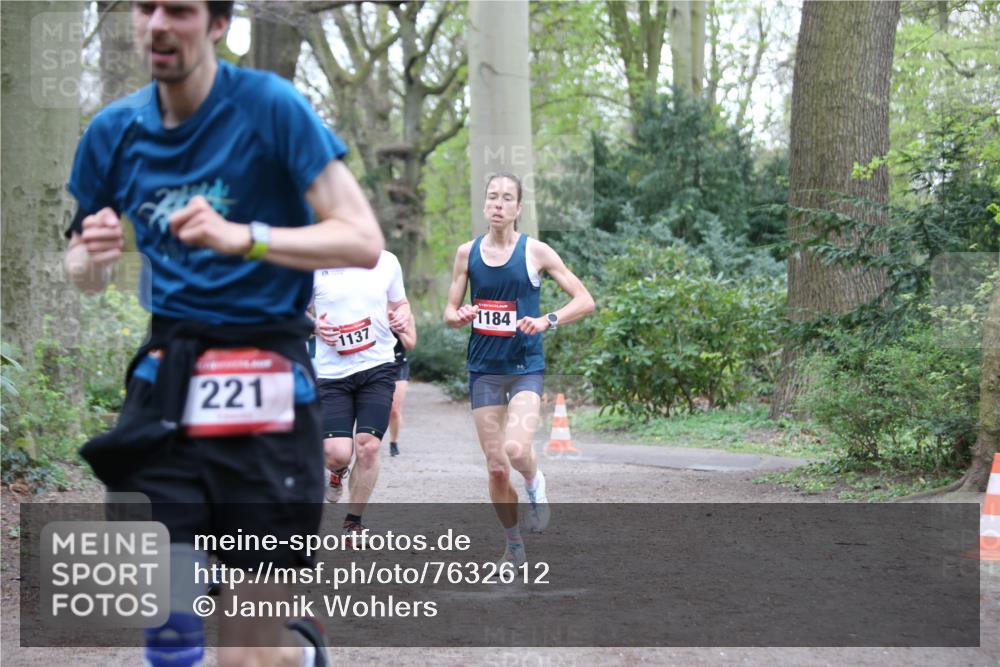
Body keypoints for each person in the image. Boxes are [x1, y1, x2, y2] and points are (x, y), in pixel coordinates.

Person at [62, 2, 383, 666]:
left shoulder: (270, 107)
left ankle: (296, 653)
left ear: (216, 25)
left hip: (267, 373)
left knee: (246, 655)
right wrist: (91, 258)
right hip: (167, 377)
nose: (157, 24)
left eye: (178, 10)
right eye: (145, 7)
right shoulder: (113, 131)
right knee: (170, 629)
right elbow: (81, 270)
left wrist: (246, 237)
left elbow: (361, 239)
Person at [443, 172, 594, 566]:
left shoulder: (537, 252)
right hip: (484, 370)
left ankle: (533, 482)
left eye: (507, 198)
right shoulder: (467, 253)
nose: (498, 204)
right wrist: (458, 316)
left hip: (526, 366)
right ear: (484, 203)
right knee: (495, 468)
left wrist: (548, 320)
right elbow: (448, 311)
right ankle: (512, 544)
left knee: (514, 449)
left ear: (518, 208)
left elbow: (584, 300)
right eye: (492, 196)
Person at [312, 250, 412, 537]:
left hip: (377, 366)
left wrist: (402, 317)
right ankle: (336, 471)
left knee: (368, 446)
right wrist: (316, 326)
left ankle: (353, 522)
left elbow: (401, 303)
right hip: (332, 374)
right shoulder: (315, 264)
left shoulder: (387, 261)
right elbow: (294, 309)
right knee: (336, 453)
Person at [388, 321, 417, 457]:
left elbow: (410, 344)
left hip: (399, 365)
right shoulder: (373, 308)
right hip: (377, 365)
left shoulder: (405, 315)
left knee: (394, 410)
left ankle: (393, 442)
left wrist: (399, 331)